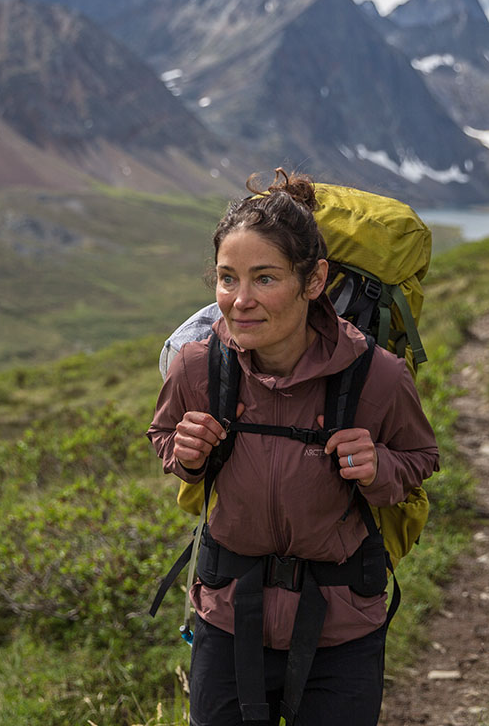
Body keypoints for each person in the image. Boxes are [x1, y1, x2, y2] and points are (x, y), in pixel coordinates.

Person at [147, 170, 439, 725]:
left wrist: (379, 467)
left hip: (341, 630)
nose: (240, 301)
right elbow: (164, 437)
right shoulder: (196, 366)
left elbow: (421, 460)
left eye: (265, 278)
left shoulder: (377, 375)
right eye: (227, 278)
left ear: (314, 281)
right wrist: (183, 452)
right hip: (228, 619)